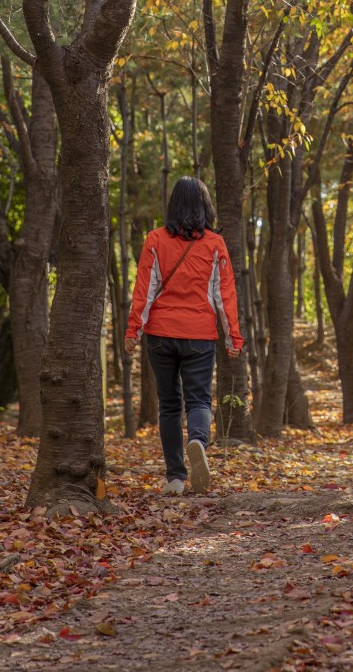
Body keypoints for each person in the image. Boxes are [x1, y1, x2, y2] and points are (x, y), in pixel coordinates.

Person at [125, 176, 244, 494]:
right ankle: (197, 441)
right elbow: (224, 294)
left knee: (168, 405)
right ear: (205, 206)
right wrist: (234, 337)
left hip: (160, 335)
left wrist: (133, 329)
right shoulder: (214, 244)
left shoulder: (154, 240)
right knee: (199, 400)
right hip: (199, 336)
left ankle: (175, 478)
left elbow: (144, 290)